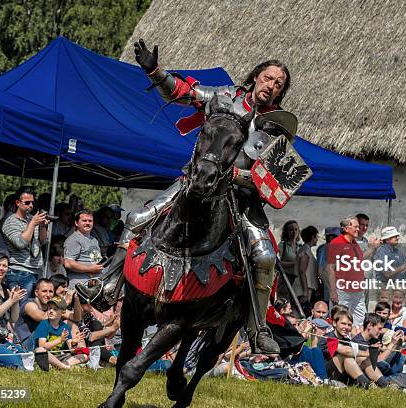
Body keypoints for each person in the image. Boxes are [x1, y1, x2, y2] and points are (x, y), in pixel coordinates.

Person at [77, 40, 298, 355]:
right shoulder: (223, 97)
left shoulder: (277, 125)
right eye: (268, 77)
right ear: (255, 77)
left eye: (279, 83)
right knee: (137, 218)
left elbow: (276, 180)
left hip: (239, 199)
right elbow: (182, 92)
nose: (272, 85)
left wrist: (237, 176)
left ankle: (258, 328)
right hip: (194, 182)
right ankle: (108, 284)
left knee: (264, 257)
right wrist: (153, 70)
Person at [1, 186, 50, 298]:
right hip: (19, 271)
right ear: (18, 203)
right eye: (27, 203)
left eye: (32, 202)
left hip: (36, 271)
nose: (31, 206)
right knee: (21, 309)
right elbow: (20, 243)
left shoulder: (31, 218)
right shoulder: (11, 221)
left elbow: (42, 242)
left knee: (33, 308)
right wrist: (32, 223)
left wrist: (42, 226)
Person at [327, 216, 366, 327]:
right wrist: (333, 291)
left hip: (357, 290)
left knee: (360, 321)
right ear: (345, 228)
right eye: (355, 227)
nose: (358, 229)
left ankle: (356, 343)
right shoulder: (337, 243)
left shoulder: (354, 243)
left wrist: (373, 249)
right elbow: (330, 268)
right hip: (343, 290)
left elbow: (359, 260)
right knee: (341, 320)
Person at [34, 296, 88, 369]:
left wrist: (74, 343)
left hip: (60, 356)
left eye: (55, 309)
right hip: (47, 356)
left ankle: (60, 366)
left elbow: (71, 350)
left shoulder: (65, 327)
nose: (51, 311)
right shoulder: (44, 324)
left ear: (63, 312)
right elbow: (42, 346)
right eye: (49, 308)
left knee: (84, 356)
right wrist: (59, 340)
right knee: (40, 350)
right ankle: (65, 367)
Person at [64, 210, 104, 289]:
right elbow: (68, 263)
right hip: (80, 285)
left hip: (95, 284)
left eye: (90, 221)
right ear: (76, 223)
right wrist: (90, 269)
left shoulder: (94, 240)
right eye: (84, 221)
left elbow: (96, 261)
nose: (87, 223)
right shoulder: (73, 239)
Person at [278, 220, 303, 302]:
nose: (294, 232)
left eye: (296, 229)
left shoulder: (300, 246)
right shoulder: (282, 245)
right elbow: (278, 263)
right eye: (291, 230)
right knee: (285, 304)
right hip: (286, 280)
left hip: (298, 281)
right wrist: (294, 263)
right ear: (286, 232)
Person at [316, 227, 340, 304]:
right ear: (331, 237)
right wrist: (331, 290)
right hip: (330, 291)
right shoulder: (324, 249)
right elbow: (321, 271)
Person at [298, 225, 319, 306]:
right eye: (316, 236)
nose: (317, 239)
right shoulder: (305, 250)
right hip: (305, 288)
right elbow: (302, 271)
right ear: (312, 237)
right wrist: (305, 290)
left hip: (309, 287)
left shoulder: (307, 249)